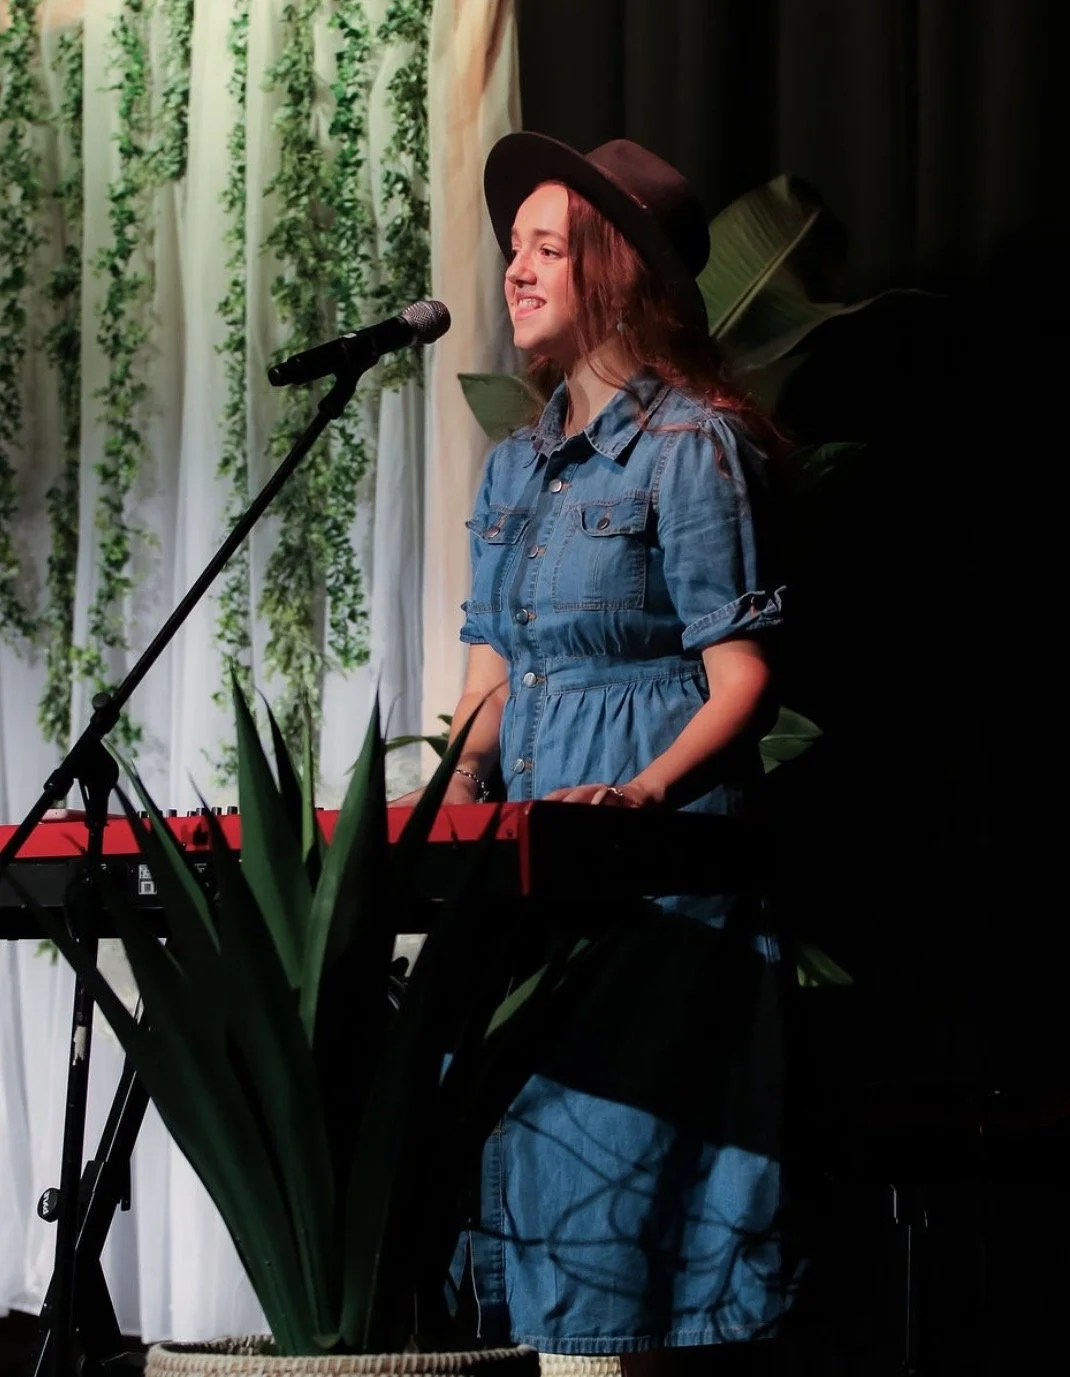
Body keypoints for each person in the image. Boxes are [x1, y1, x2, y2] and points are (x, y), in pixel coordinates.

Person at [395, 134, 792, 1370]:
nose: (514, 271)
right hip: (532, 880)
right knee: (520, 1180)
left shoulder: (693, 447)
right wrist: (446, 798)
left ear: (614, 272)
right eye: (511, 249)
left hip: (651, 884)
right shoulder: (513, 470)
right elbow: (488, 685)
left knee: (619, 1219)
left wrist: (640, 794)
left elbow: (742, 679)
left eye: (545, 250)